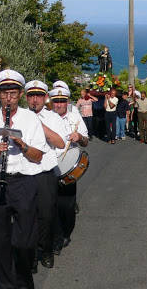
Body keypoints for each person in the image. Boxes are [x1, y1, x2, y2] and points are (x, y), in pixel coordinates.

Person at [0, 69, 47, 289]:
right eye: (4, 93)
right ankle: (3, 285)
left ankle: (24, 282)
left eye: (13, 93)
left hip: (24, 181)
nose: (8, 98)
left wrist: (22, 145)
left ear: (21, 94)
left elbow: (38, 157)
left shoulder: (30, 119)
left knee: (24, 242)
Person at [25, 80, 67, 270]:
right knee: (27, 217)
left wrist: (38, 125)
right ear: (26, 98)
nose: (35, 100)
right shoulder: (20, 116)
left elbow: (60, 143)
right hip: (24, 172)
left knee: (47, 215)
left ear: (45, 98)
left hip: (45, 172)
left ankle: (47, 250)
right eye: (31, 96)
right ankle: (31, 257)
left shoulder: (53, 118)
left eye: (39, 96)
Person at [50, 86, 89, 254]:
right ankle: (56, 238)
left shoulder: (75, 117)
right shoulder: (46, 117)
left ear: (67, 102)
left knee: (66, 206)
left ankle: (66, 232)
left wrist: (79, 137)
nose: (59, 104)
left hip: (68, 169)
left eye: (62, 101)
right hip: (49, 166)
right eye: (56, 101)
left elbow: (86, 141)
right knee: (50, 205)